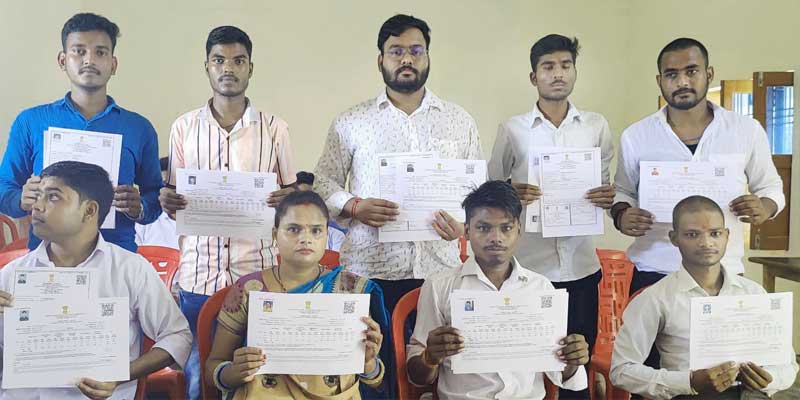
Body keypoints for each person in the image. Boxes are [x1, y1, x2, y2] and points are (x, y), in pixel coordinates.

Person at [158, 26, 299, 399]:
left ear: (251, 68)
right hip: (199, 276)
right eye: (219, 60)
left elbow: (293, 199)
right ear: (207, 66)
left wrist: (286, 200)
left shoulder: (275, 129)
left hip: (258, 275)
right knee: (198, 381)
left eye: (238, 61)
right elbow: (173, 197)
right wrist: (167, 202)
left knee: (258, 379)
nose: (228, 68)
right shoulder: (183, 127)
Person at [314, 14, 482, 312]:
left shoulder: (459, 121)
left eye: (416, 51)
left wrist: (463, 227)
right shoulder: (351, 121)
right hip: (368, 270)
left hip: (440, 271)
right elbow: (322, 183)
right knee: (370, 345)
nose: (407, 59)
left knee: (435, 345)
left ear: (428, 58)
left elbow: (478, 193)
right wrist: (354, 206)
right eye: (396, 51)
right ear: (381, 60)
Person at [0, 161, 191, 400]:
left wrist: (121, 375)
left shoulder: (129, 269)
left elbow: (177, 336)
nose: (37, 206)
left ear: (90, 210)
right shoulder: (12, 274)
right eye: (37, 196)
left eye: (53, 197)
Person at [488, 35, 614, 396]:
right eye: (548, 67)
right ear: (534, 77)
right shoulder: (513, 129)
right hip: (529, 270)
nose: (558, 74)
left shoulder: (596, 126)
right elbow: (490, 191)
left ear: (574, 71)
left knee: (576, 366)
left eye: (565, 65)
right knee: (524, 367)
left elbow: (605, 183)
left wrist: (608, 196)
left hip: (581, 269)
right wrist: (510, 193)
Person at [611, 38, 785, 294]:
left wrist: (765, 207)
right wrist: (622, 215)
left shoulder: (745, 130)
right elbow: (622, 191)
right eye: (672, 74)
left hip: (723, 270)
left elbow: (770, 187)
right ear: (660, 81)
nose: (682, 82)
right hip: (655, 268)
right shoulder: (636, 136)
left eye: (691, 71)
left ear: (709, 74)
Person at [407, 181, 590, 399]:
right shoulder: (439, 287)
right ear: (467, 231)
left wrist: (572, 358)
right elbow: (416, 376)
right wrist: (429, 357)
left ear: (519, 230)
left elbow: (562, 373)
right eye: (484, 228)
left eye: (506, 228)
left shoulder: (540, 288)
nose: (496, 238)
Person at [0, 12, 163, 253]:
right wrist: (20, 199)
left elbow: (155, 196)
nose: (89, 60)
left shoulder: (139, 128)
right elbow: (4, 187)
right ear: (62, 60)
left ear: (113, 64)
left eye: (100, 52)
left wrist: (140, 208)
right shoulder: (31, 122)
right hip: (47, 259)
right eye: (79, 51)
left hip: (115, 257)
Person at [205, 190, 392, 399]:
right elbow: (212, 368)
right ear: (275, 235)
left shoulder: (350, 290)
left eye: (316, 230)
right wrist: (234, 372)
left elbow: (376, 381)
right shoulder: (250, 289)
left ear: (326, 235)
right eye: (294, 229)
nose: (305, 239)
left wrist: (368, 363)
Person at [610, 195, 798, 399]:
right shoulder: (655, 298)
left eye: (715, 233)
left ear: (727, 235)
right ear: (674, 238)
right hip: (688, 394)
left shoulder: (752, 293)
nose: (706, 243)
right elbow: (621, 370)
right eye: (692, 235)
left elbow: (788, 364)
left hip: (750, 394)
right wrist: (688, 382)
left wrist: (770, 378)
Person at [135, 157, 178, 250]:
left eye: (175, 185)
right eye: (164, 185)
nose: (168, 191)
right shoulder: (144, 222)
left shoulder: (201, 222)